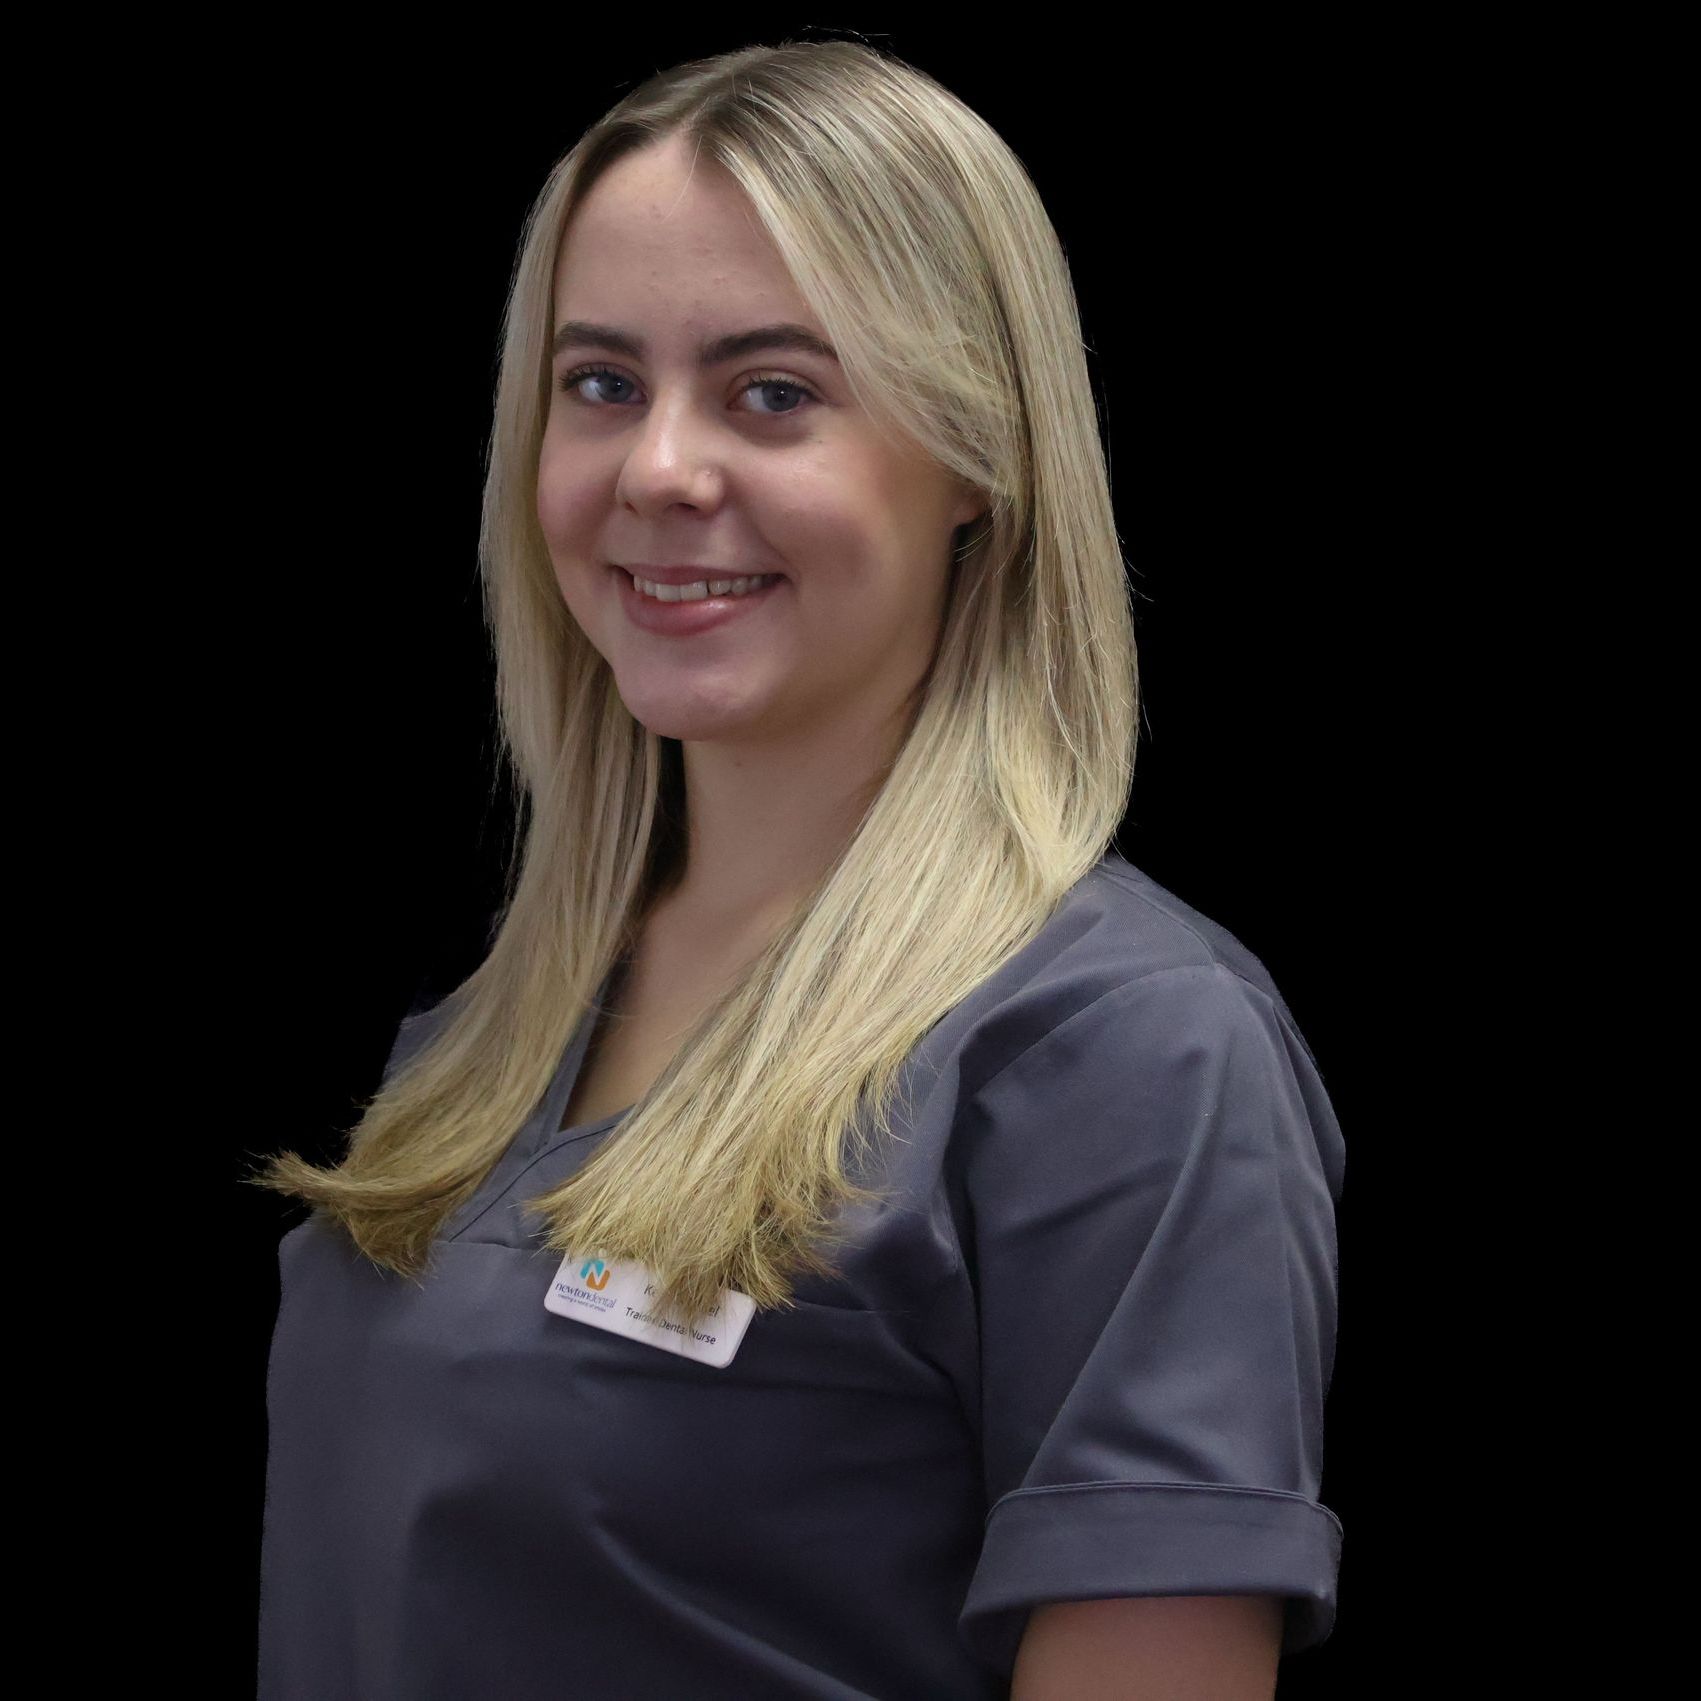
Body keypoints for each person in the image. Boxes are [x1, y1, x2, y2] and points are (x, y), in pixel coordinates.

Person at [250, 38, 1346, 1700]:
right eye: (601, 383)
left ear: (977, 459)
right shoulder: (491, 1031)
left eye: (773, 391)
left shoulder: (1125, 1052)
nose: (660, 470)